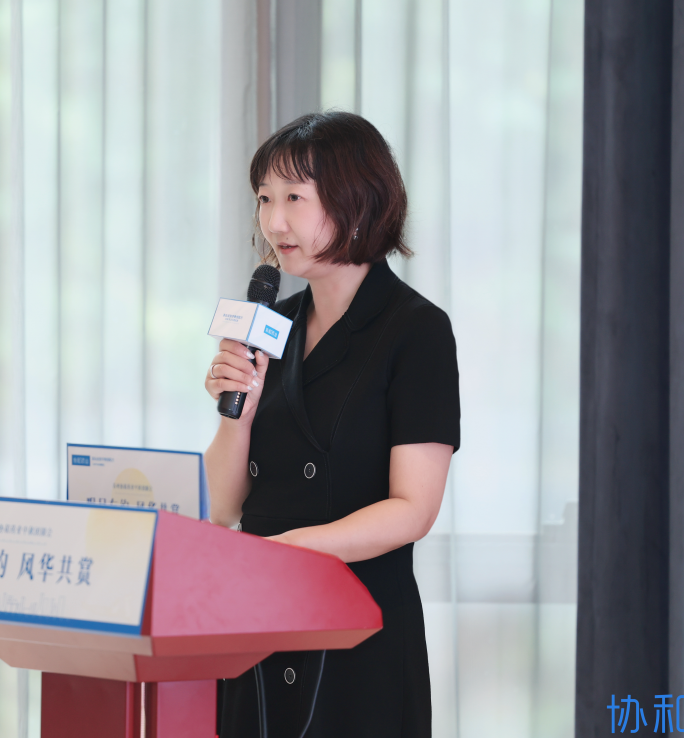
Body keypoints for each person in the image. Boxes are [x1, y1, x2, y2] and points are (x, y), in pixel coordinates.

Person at [204, 111, 460, 738]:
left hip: (357, 631)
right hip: (260, 622)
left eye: (294, 197)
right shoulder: (274, 324)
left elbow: (413, 509)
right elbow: (223, 506)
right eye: (264, 198)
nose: (273, 222)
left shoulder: (416, 330)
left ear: (357, 201)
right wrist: (237, 417)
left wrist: (289, 552)